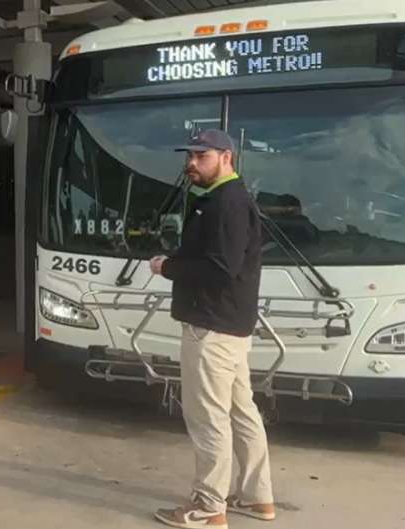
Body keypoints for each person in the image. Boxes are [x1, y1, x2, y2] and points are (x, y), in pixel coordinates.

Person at [149, 129, 275, 529]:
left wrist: (166, 267)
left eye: (200, 155)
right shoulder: (225, 200)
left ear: (226, 157)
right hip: (230, 327)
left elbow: (220, 268)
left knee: (208, 419)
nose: (191, 162)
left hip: (211, 328)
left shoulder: (227, 203)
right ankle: (258, 498)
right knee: (241, 412)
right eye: (190, 154)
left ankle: (208, 507)